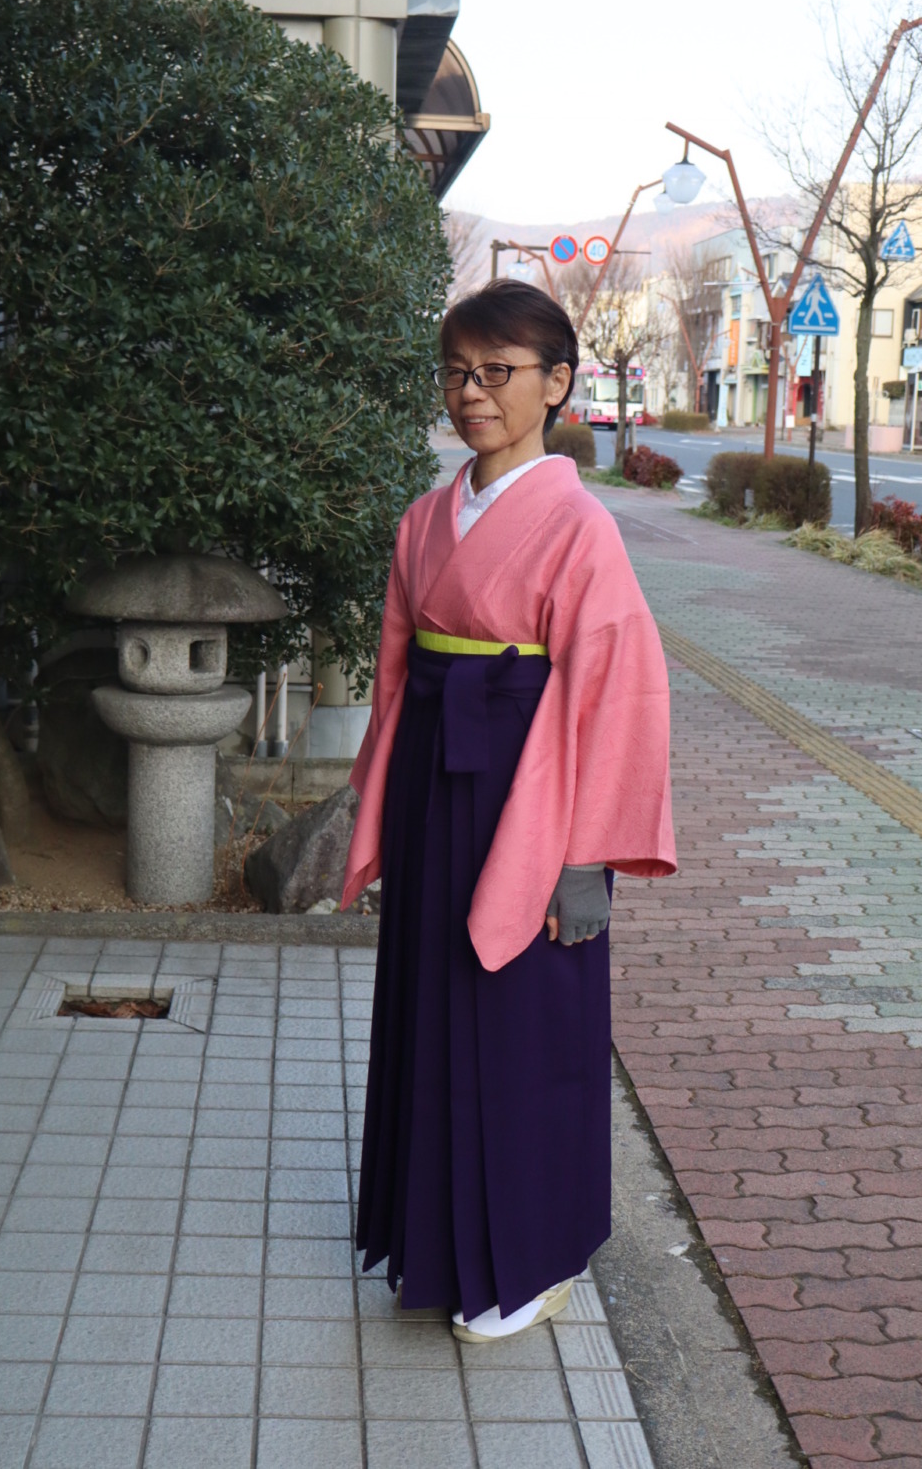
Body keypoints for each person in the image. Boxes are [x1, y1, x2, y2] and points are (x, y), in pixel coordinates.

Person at [341, 279, 676, 1343]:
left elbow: (619, 689)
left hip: (536, 783)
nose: (472, 393)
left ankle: (534, 1257)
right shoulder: (426, 520)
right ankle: (437, 1244)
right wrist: (380, 802)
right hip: (434, 769)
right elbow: (397, 673)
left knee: (527, 1014)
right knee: (432, 1000)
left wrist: (585, 857)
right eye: (456, 373)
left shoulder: (579, 525)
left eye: (498, 372)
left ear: (556, 383)